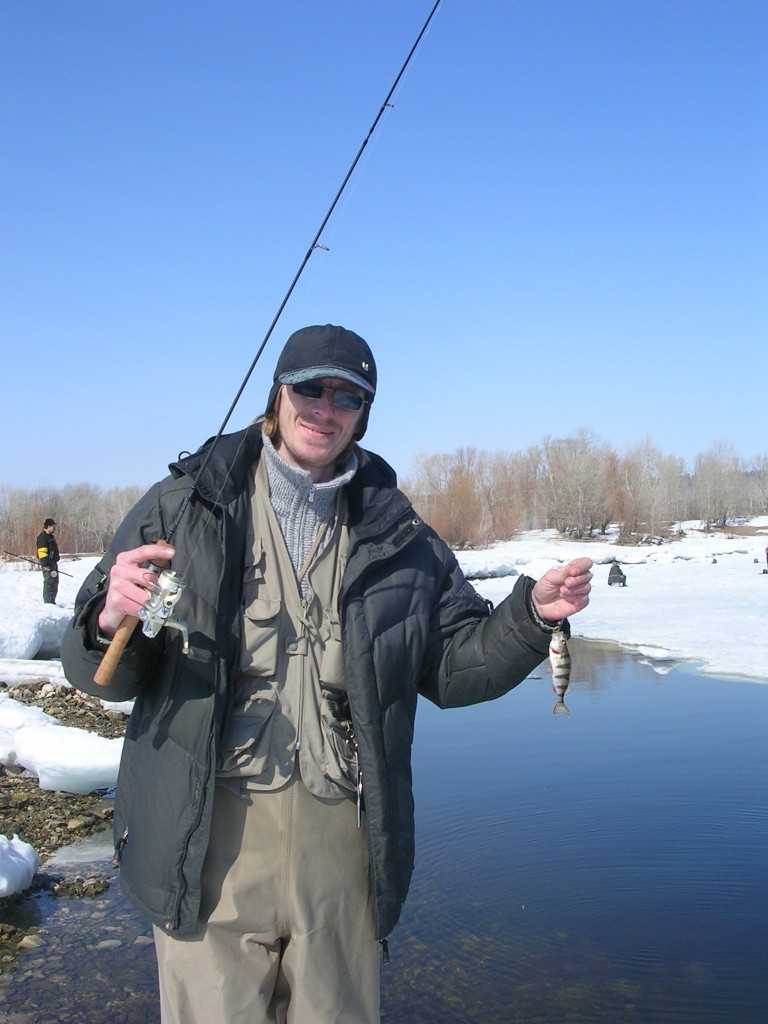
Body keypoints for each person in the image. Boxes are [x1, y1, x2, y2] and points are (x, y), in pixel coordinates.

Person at [61, 324, 593, 1024]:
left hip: (343, 842)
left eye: (348, 396)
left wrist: (530, 615)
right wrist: (108, 619)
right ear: (278, 395)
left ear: (363, 413)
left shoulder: (401, 534)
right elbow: (98, 674)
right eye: (309, 388)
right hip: (207, 832)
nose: (325, 408)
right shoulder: (183, 506)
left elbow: (453, 668)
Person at [36, 517, 60, 604]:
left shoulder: (50, 536)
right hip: (47, 563)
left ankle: (52, 601)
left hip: (52, 563)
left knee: (55, 581)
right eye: (53, 526)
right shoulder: (43, 537)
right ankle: (48, 602)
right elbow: (42, 552)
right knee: (49, 582)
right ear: (48, 526)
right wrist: (45, 564)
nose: (54, 528)